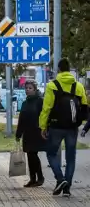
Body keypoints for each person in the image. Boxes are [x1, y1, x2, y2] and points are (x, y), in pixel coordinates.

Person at [39, 58, 88, 197]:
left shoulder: (52, 85)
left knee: (51, 153)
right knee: (71, 157)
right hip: (72, 128)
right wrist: (79, 123)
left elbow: (46, 108)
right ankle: (67, 188)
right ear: (69, 69)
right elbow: (84, 106)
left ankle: (60, 179)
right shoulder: (78, 86)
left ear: (59, 70)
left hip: (55, 127)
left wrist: (43, 126)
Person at [16, 80, 45, 187]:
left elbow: (44, 116)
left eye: (30, 88)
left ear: (35, 89)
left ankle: (40, 177)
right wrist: (18, 134)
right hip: (27, 133)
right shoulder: (25, 103)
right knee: (29, 155)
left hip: (37, 132)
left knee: (33, 154)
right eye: (26, 88)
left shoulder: (40, 101)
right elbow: (21, 119)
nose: (27, 90)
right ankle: (33, 179)